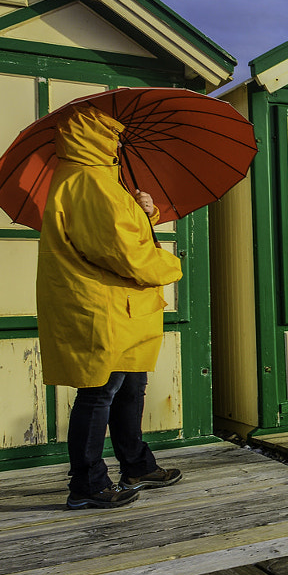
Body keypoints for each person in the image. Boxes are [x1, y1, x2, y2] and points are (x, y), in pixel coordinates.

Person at [37, 105, 186, 509]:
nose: (119, 140)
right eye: (113, 134)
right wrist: (171, 265)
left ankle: (135, 464)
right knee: (100, 391)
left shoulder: (103, 179)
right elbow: (121, 252)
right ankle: (86, 484)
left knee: (131, 387)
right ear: (94, 136)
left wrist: (145, 211)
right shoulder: (89, 180)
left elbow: (121, 229)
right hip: (103, 304)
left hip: (126, 305)